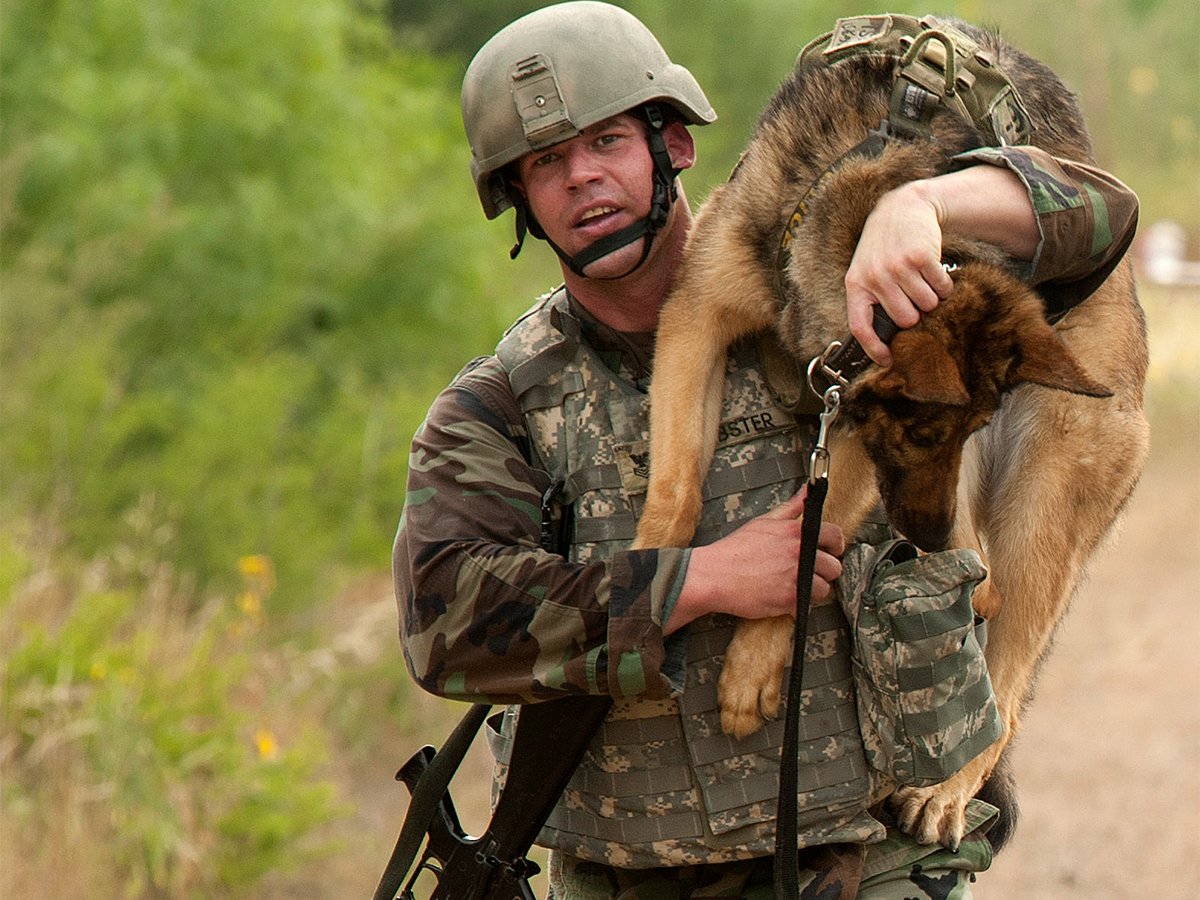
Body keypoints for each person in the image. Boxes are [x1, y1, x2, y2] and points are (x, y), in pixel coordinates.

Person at [393, 4, 1138, 898]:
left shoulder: (850, 285)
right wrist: (697, 580)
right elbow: (446, 624)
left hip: (866, 863)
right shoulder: (502, 404)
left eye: (607, 144)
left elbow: (1100, 213)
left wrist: (924, 203)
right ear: (518, 199)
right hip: (626, 874)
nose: (584, 179)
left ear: (673, 146)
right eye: (547, 164)